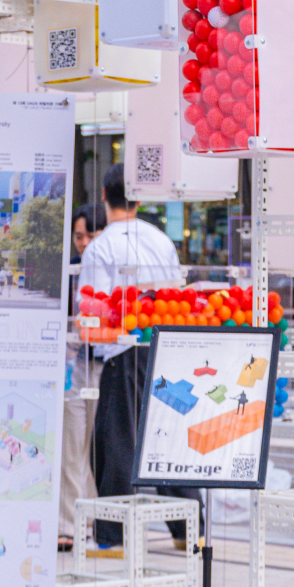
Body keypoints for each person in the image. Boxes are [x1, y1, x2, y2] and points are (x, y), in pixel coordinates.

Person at [79, 164, 201, 549]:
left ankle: (112, 538)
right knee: (167, 440)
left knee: (116, 443)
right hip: (164, 350)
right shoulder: (161, 240)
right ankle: (189, 532)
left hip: (123, 354)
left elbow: (94, 309)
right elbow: (176, 293)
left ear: (104, 195)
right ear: (139, 197)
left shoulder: (101, 247)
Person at [59, 203, 107, 550]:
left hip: (106, 365)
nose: (84, 242)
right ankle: (68, 525)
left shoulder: (108, 269)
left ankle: (91, 519)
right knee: (72, 443)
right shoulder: (70, 271)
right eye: (79, 236)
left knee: (96, 448)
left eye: (91, 235)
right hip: (73, 367)